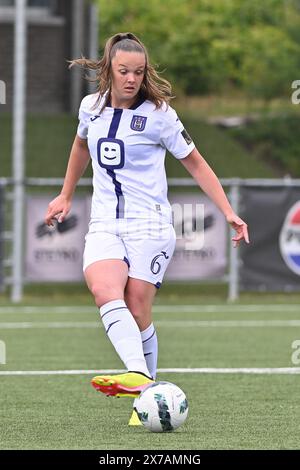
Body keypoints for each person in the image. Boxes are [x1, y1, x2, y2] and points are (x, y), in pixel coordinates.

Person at [45, 32, 249, 426]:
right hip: (105, 221)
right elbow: (80, 147)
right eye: (123, 71)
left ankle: (144, 392)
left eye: (138, 72)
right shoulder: (91, 107)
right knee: (104, 288)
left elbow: (196, 163)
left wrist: (228, 212)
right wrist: (65, 195)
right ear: (108, 69)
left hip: (150, 224)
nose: (131, 79)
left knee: (137, 307)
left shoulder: (160, 116)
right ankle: (141, 378)